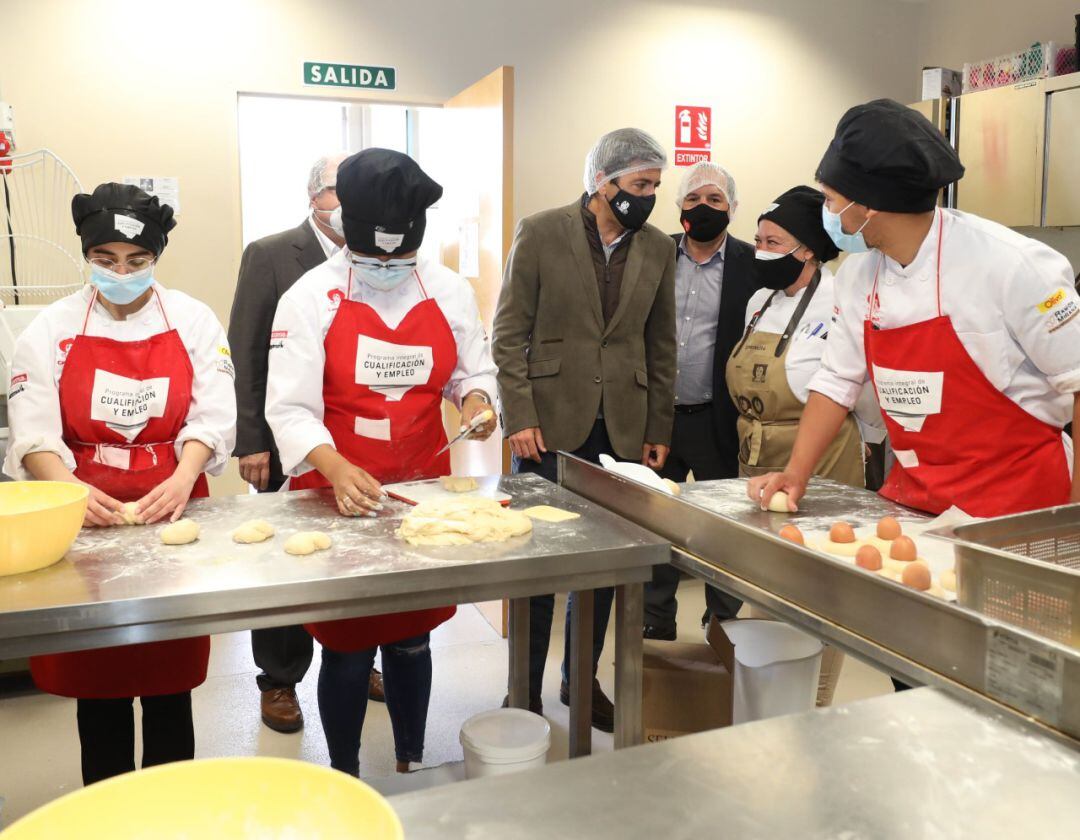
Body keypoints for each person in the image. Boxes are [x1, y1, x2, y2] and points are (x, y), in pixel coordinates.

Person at [749, 100, 1080, 684]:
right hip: (917, 509)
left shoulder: (1011, 266)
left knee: (1008, 687)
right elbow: (835, 380)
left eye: (829, 199)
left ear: (867, 203)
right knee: (917, 675)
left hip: (1015, 520)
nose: (826, 212)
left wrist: (1074, 523)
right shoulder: (858, 275)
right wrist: (796, 475)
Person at [265, 148, 498, 775]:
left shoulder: (448, 291)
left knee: (412, 635)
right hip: (336, 486)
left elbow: (472, 373)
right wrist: (336, 469)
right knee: (345, 645)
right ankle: (345, 769)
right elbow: (288, 409)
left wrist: (478, 400)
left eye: (401, 257)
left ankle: (410, 757)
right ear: (347, 233)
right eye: (374, 258)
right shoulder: (309, 298)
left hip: (421, 485)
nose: (389, 268)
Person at [2, 183, 236, 784]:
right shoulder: (51, 326)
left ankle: (169, 805)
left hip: (172, 507)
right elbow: (33, 433)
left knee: (169, 675)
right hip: (81, 508)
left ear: (155, 259)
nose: (121, 273)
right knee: (100, 682)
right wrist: (73, 493)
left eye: (137, 262)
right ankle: (106, 806)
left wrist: (184, 477)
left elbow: (213, 414)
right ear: (86, 258)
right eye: (105, 260)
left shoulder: (191, 318)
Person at [492, 127, 676, 730]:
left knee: (600, 567)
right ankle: (523, 690)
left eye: (655, 185)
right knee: (538, 564)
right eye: (639, 184)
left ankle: (580, 680)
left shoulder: (657, 248)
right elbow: (508, 332)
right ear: (603, 181)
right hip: (546, 425)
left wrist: (658, 424)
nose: (649, 196)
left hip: (622, 429)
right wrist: (519, 415)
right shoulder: (542, 231)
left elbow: (660, 343)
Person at [229, 153, 384, 735]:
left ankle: (357, 656)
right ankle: (280, 679)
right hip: (281, 436)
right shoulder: (270, 255)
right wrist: (252, 440)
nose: (345, 206)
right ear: (313, 197)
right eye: (335, 193)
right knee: (285, 560)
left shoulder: (377, 261)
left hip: (349, 436)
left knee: (353, 556)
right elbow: (243, 349)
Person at [729, 186, 880, 706]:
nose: (761, 251)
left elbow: (860, 396)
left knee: (818, 598)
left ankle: (813, 703)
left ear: (808, 249)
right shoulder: (758, 301)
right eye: (758, 240)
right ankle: (771, 702)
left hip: (823, 469)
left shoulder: (842, 298)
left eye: (774, 241)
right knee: (765, 593)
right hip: (758, 465)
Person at [641, 161, 758, 641]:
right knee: (655, 524)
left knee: (723, 527)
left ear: (731, 207)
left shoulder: (753, 264)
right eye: (693, 200)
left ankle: (722, 622)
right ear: (679, 206)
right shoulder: (652, 255)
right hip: (657, 420)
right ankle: (655, 618)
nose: (703, 209)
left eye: (714, 200)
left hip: (719, 419)